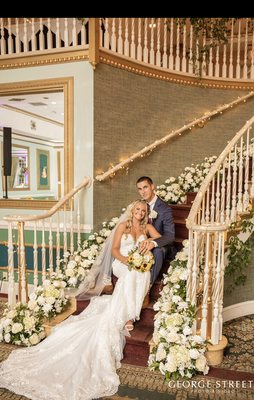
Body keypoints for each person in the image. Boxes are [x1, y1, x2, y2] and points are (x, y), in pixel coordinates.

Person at [0, 200, 161, 400]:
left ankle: (129, 313)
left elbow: (160, 239)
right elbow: (114, 251)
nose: (139, 212)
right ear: (132, 210)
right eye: (137, 209)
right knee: (131, 274)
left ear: (146, 213)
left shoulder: (147, 227)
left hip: (138, 265)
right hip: (122, 264)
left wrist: (150, 244)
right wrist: (128, 261)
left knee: (142, 274)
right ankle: (125, 316)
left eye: (143, 211)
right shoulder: (123, 226)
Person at [136, 176, 176, 285]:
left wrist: (153, 243)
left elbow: (170, 236)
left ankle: (147, 286)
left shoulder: (165, 209)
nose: (143, 192)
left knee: (158, 251)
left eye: (145, 187)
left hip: (162, 244)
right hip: (142, 242)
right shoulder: (139, 205)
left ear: (152, 187)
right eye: (140, 189)